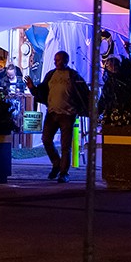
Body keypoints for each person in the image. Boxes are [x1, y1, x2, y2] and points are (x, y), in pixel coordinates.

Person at [25, 51, 90, 183]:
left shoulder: (72, 75)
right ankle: (57, 163)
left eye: (59, 60)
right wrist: (32, 88)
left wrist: (82, 108)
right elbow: (42, 91)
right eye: (55, 60)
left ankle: (63, 172)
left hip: (67, 114)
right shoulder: (51, 75)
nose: (56, 62)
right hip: (52, 113)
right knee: (46, 139)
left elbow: (84, 93)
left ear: (66, 60)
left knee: (66, 145)